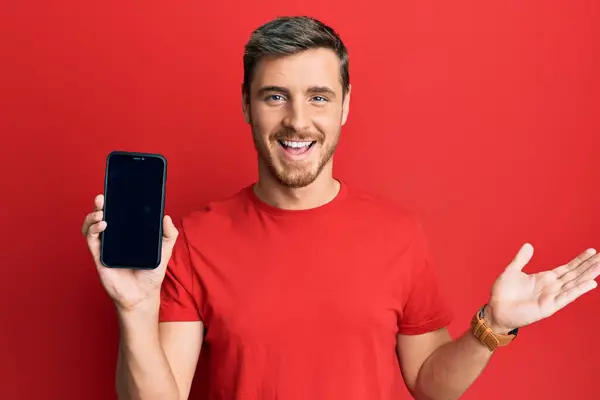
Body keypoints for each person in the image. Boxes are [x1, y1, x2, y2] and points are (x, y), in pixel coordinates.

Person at [82, 16, 599, 400]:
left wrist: (493, 327)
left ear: (347, 104)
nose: (298, 120)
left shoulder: (398, 233)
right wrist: (135, 311)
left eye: (320, 97)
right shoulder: (197, 239)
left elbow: (428, 384)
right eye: (275, 96)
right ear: (246, 104)